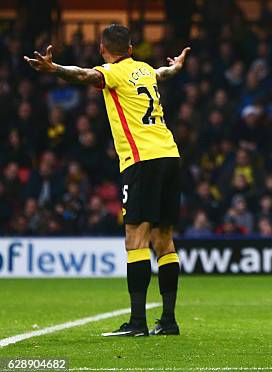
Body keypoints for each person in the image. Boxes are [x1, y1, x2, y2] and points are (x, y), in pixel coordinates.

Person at [25, 24, 191, 337]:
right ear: (130, 48)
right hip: (170, 155)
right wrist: (177, 66)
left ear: (103, 49)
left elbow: (83, 76)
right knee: (164, 237)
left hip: (141, 160)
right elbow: (163, 74)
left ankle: (138, 322)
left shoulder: (111, 73)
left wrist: (53, 68)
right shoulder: (144, 70)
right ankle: (168, 321)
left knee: (136, 237)